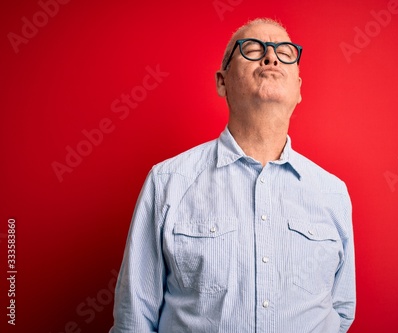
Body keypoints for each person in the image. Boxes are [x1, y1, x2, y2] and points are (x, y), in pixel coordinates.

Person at [110, 17, 355, 333]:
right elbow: (135, 317)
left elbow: (341, 311)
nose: (271, 57)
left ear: (298, 88)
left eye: (285, 51)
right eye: (253, 49)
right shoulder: (168, 182)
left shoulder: (333, 194)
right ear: (222, 82)